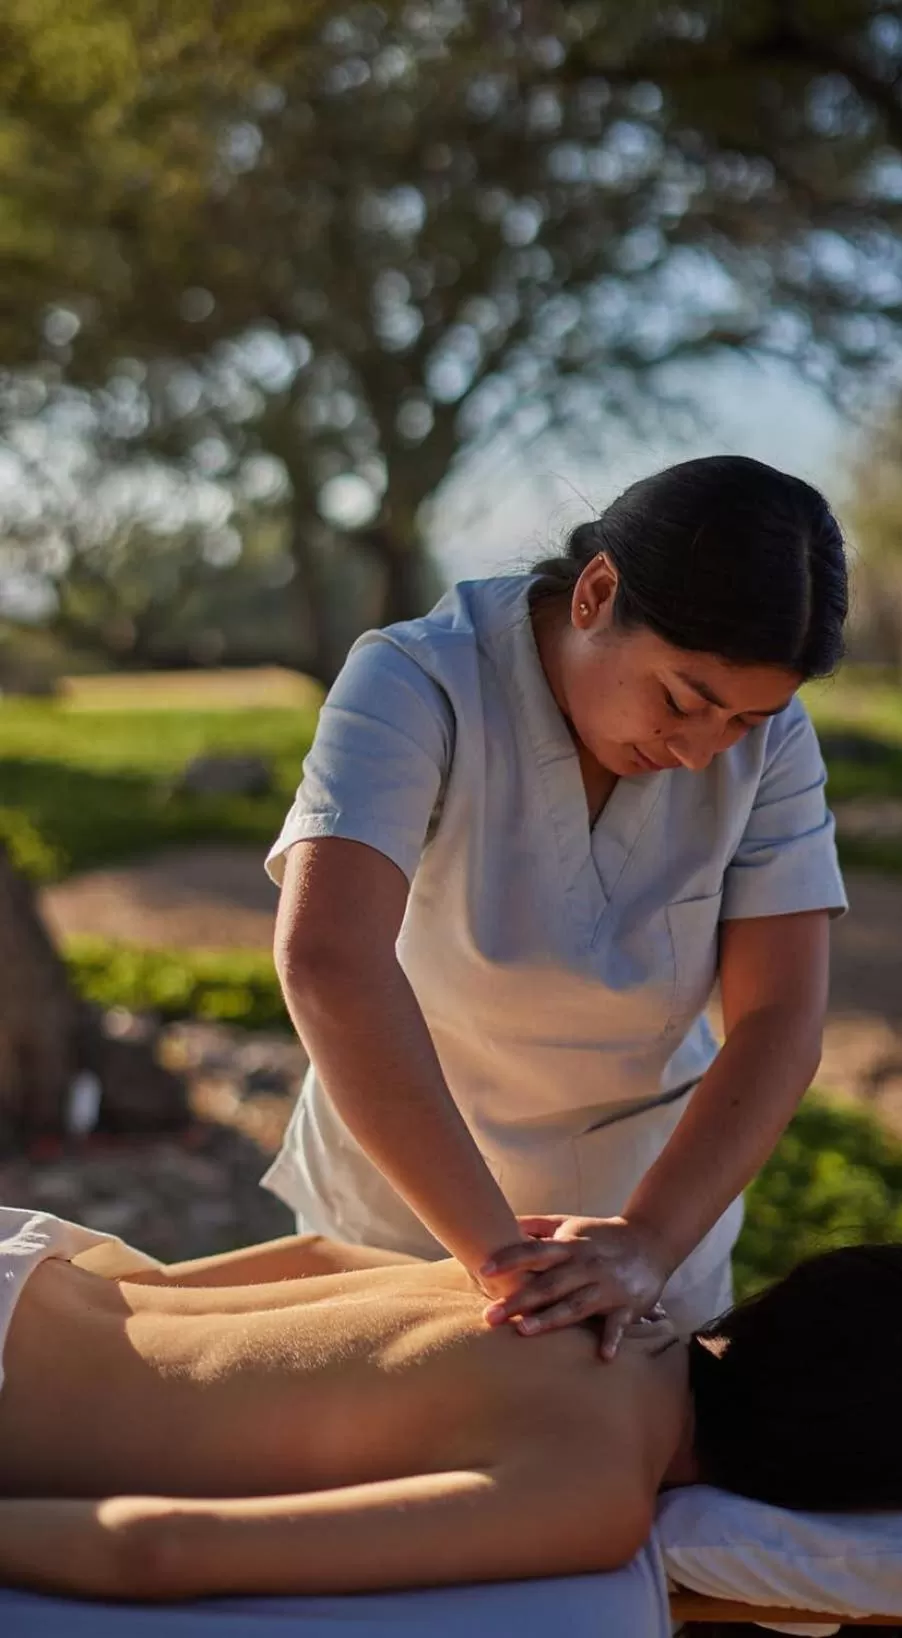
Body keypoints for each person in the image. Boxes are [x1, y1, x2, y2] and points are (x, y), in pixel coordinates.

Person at [262, 456, 851, 1351]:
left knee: (639, 1483)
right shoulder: (417, 680)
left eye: (740, 721)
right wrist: (509, 1270)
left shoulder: (768, 746)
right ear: (596, 593)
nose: (702, 753)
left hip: (649, 1218)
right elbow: (329, 959)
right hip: (405, 1211)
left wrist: (646, 1243)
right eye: (682, 700)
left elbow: (778, 1016)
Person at [0, 1208, 902, 1602]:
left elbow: (312, 1253)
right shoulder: (593, 1490)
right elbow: (159, 1554)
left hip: (34, 1266)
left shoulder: (577, 1272)